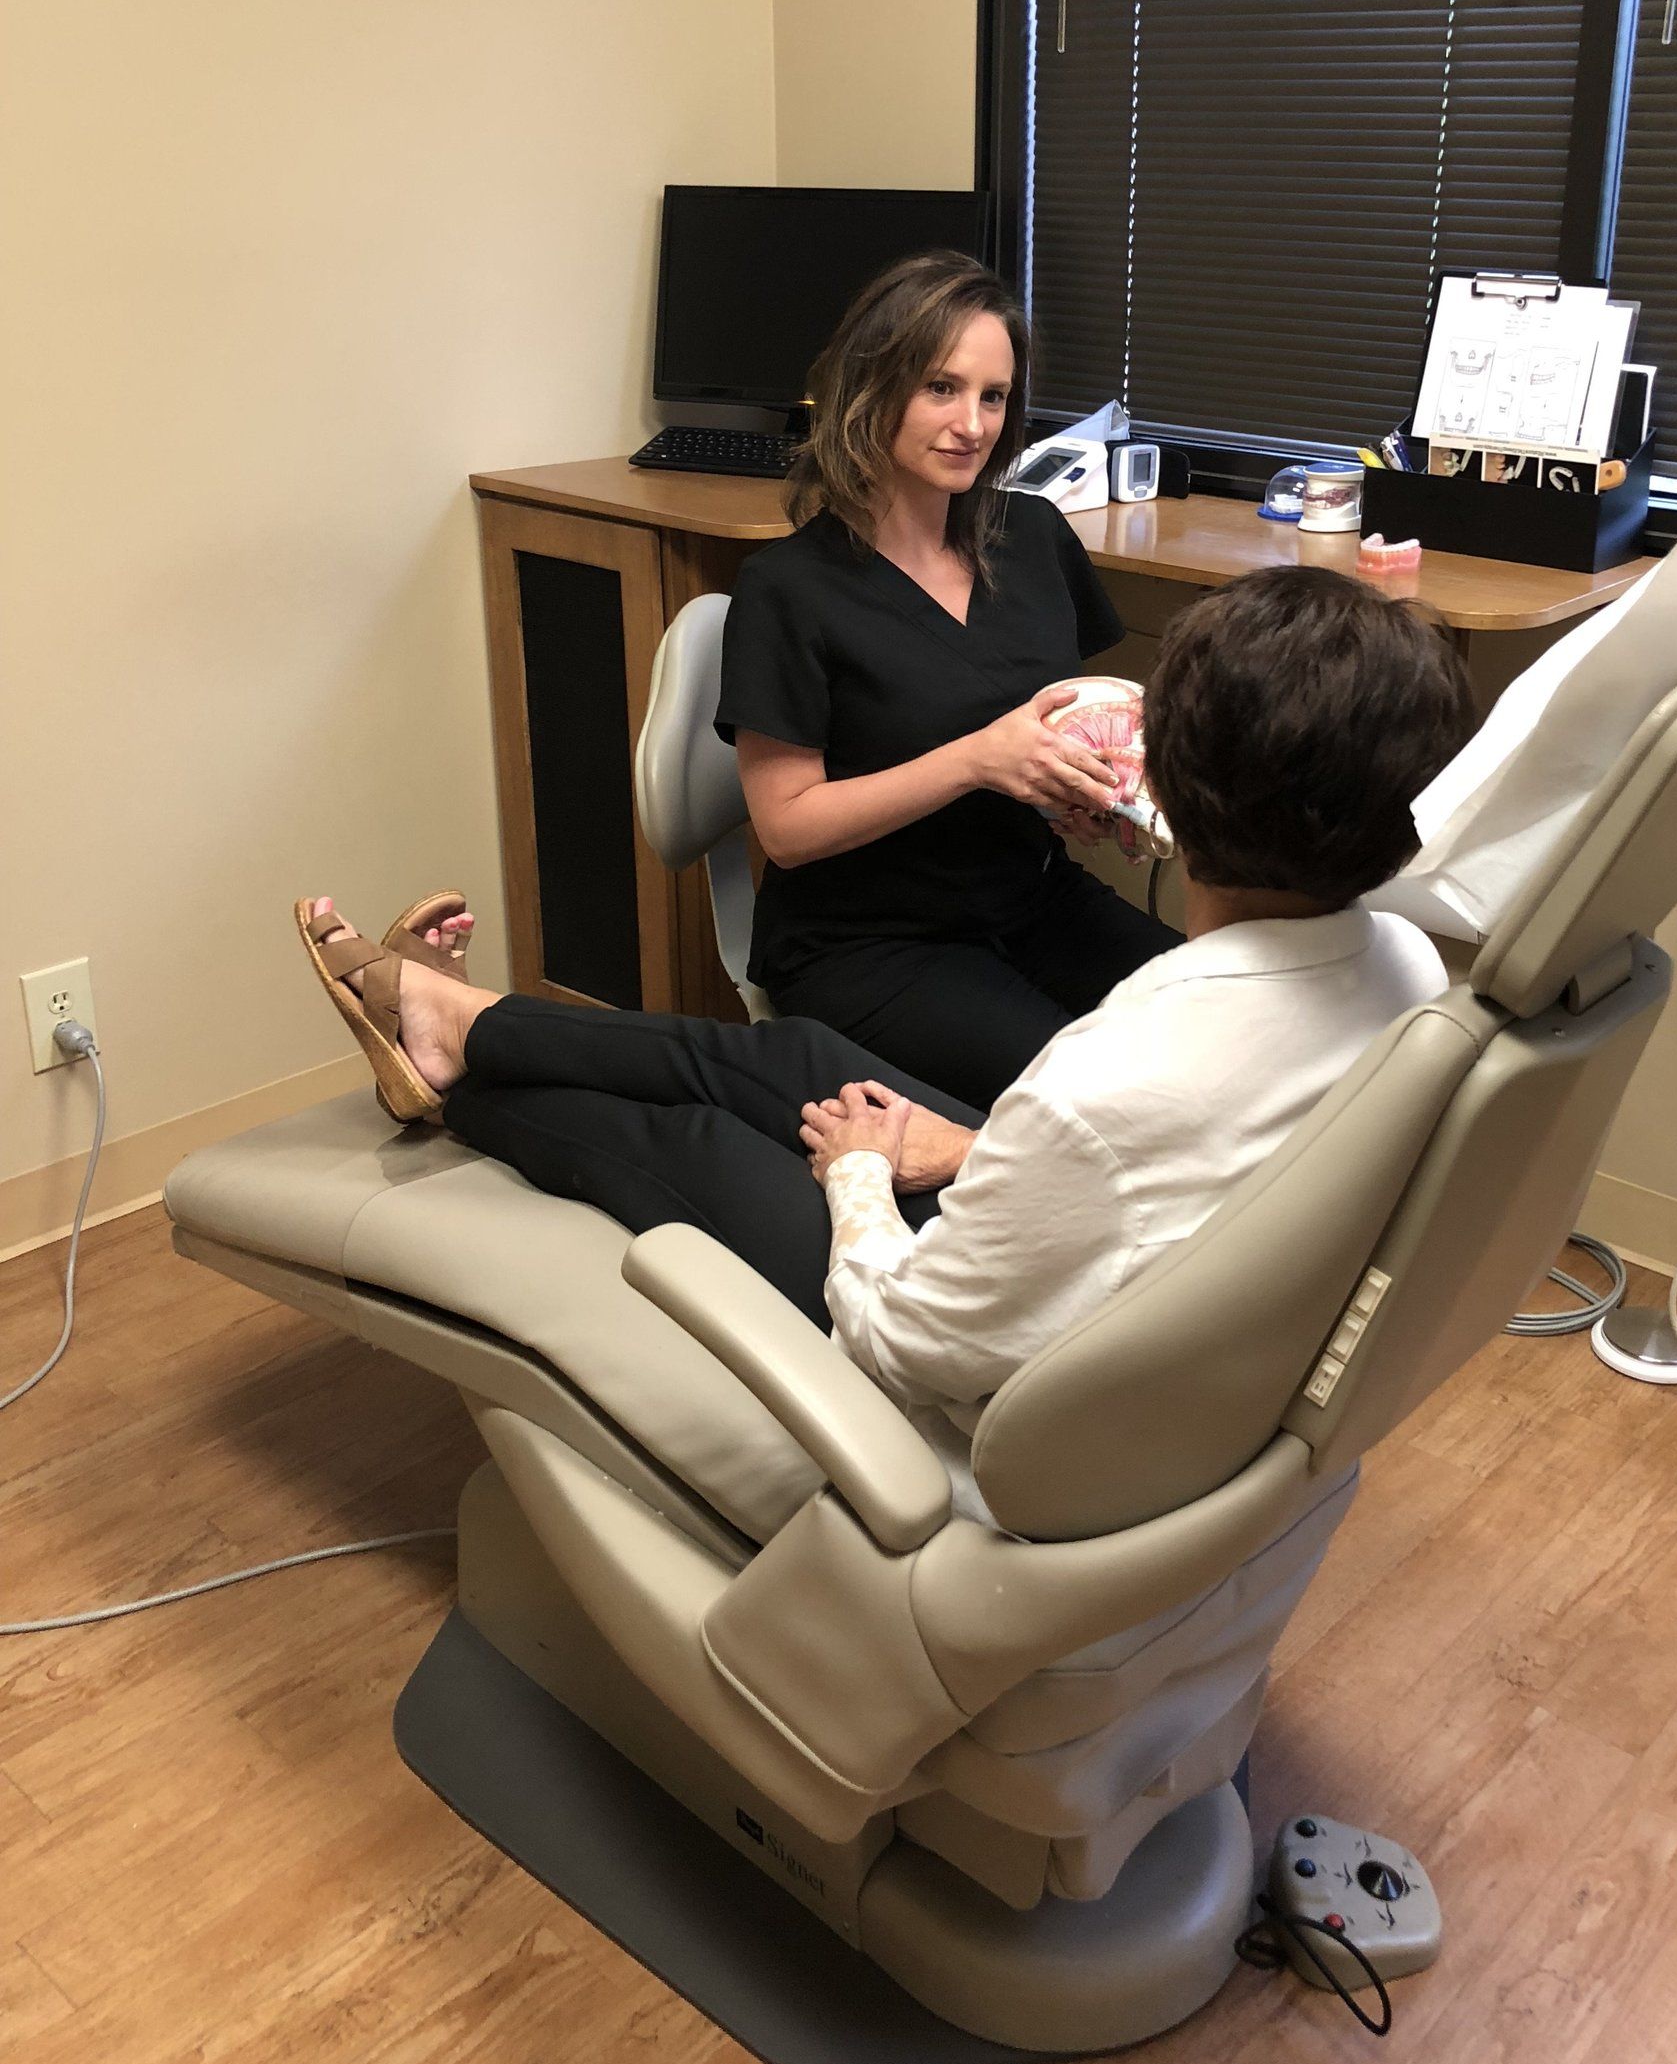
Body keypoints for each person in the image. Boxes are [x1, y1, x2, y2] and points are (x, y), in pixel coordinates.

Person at [297, 564, 1474, 1524]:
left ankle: (448, 1084)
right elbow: (1205, 1171)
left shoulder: (1105, 1078)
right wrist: (972, 1147)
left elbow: (900, 1343)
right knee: (797, 1053)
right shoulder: (1406, 976)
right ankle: (465, 1020)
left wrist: (860, 1179)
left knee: (694, 1140)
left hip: (1004, 1415)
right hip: (1138, 1292)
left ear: (1165, 782)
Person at [714, 248, 1180, 1108]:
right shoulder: (789, 590)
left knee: (1216, 1020)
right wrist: (976, 760)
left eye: (993, 396)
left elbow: (1063, 727)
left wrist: (1087, 792)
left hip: (1032, 901)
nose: (973, 423)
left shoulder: (1034, 538)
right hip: (868, 942)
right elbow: (786, 828)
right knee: (1085, 1094)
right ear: (870, 388)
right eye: (941, 388)